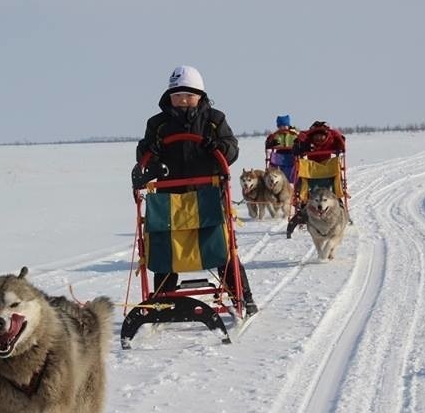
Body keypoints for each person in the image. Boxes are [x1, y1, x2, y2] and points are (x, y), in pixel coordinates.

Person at [133, 65, 258, 316]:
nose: (183, 100)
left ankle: (244, 296)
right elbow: (143, 154)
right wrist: (153, 154)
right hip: (171, 197)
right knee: (167, 250)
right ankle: (162, 300)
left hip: (207, 196)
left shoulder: (214, 120)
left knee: (220, 247)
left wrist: (218, 147)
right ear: (169, 97)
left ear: (200, 95)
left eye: (188, 95)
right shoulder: (157, 124)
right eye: (177, 95)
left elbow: (231, 149)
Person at [284, 121, 347, 239]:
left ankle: (339, 207)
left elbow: (342, 146)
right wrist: (300, 141)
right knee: (303, 185)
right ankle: (303, 209)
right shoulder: (307, 141)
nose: (319, 138)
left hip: (328, 174)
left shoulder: (331, 140)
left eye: (321, 135)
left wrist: (334, 133)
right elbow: (295, 150)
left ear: (326, 135)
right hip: (311, 174)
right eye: (316, 136)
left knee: (335, 185)